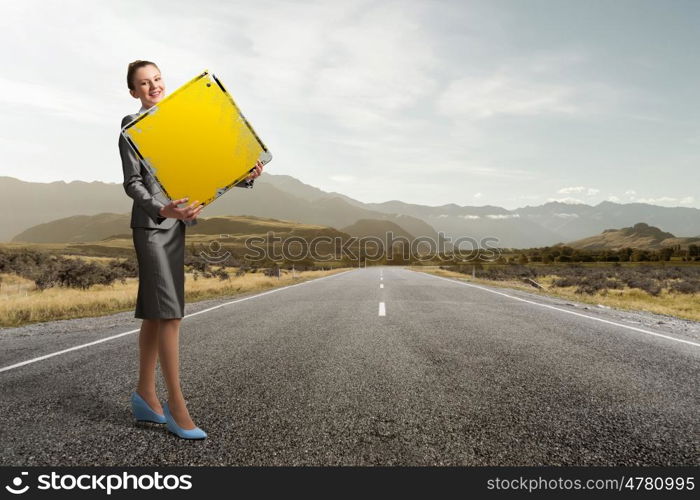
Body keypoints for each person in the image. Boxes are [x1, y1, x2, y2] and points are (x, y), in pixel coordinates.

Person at [119, 60, 263, 439]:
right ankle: (176, 407)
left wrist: (244, 174)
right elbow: (133, 183)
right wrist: (161, 208)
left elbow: (202, 168)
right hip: (152, 226)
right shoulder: (132, 127)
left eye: (157, 79)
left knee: (155, 313)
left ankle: (144, 396)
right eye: (144, 83)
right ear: (133, 92)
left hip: (174, 227)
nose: (153, 87)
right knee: (170, 315)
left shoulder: (177, 127)